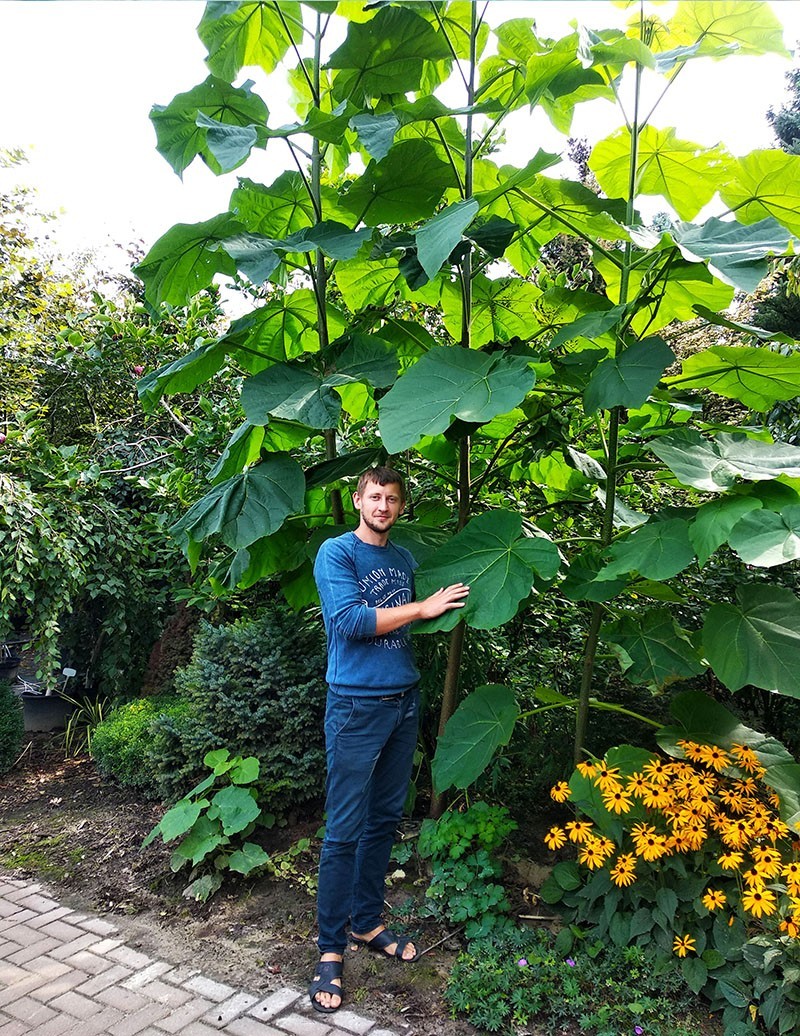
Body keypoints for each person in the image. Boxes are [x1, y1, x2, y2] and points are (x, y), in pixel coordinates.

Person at [309, 465, 469, 1014]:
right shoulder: (337, 553)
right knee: (344, 829)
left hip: (403, 699)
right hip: (355, 704)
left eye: (392, 499)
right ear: (359, 500)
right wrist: (422, 608)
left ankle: (366, 922)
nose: (383, 506)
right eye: (374, 497)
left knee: (382, 821)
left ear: (400, 507)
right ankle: (329, 950)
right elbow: (350, 622)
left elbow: (418, 616)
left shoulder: (402, 559)